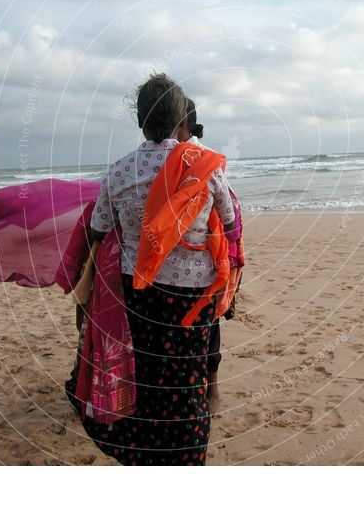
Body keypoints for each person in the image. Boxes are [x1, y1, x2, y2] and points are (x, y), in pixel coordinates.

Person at [80, 73, 235, 465]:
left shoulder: (118, 172)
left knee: (148, 373)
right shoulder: (205, 166)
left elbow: (99, 227)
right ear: (183, 118)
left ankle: (148, 453)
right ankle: (187, 455)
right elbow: (230, 221)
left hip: (140, 290)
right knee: (187, 377)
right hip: (193, 297)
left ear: (139, 121)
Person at [176, 99, 244, 412]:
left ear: (184, 125)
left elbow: (229, 210)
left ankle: (212, 389)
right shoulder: (166, 154)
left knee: (210, 323)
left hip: (206, 253)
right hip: (179, 254)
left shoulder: (201, 157)